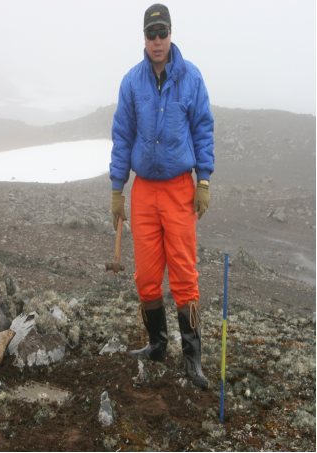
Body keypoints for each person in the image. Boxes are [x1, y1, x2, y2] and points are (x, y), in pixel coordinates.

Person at [110, 4, 214, 390]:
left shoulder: (191, 78)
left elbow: (203, 128)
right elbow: (122, 135)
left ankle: (192, 357)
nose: (157, 40)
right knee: (147, 276)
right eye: (151, 34)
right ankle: (157, 345)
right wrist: (117, 189)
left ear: (171, 34)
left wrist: (204, 181)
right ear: (144, 37)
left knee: (184, 274)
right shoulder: (131, 82)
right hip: (144, 191)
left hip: (179, 188)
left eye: (163, 33)